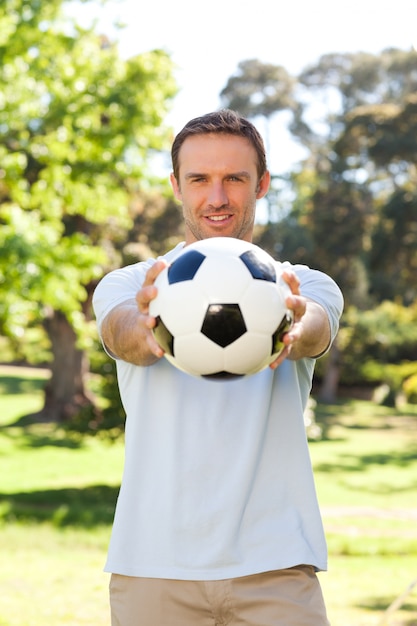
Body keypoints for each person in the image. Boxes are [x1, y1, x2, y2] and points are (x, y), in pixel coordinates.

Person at [93, 109, 344, 626]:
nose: (217, 197)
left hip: (277, 565)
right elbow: (121, 334)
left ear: (262, 184)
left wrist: (293, 327)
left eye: (235, 178)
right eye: (199, 179)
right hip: (153, 566)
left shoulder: (303, 285)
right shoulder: (129, 286)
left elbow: (316, 328)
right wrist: (145, 326)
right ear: (176, 186)